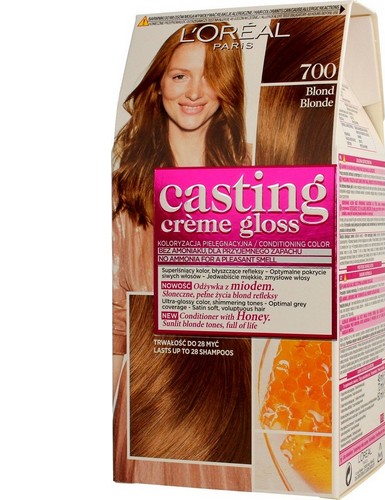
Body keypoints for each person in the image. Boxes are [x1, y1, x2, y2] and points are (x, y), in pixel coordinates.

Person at [112, 22, 252, 487]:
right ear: (159, 85)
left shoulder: (259, 176)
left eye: (210, 76)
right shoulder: (126, 190)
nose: (194, 92)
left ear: (228, 88)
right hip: (153, 408)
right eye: (179, 76)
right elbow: (115, 318)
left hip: (234, 406)